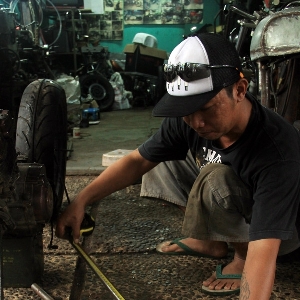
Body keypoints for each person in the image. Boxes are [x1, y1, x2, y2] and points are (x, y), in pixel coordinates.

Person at [55, 33, 300, 299]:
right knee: (157, 159)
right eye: (187, 110)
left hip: (283, 237)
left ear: (240, 90)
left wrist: (250, 272)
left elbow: (265, 251)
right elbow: (137, 161)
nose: (196, 122)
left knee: (217, 178)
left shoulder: (277, 151)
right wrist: (81, 201)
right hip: (243, 205)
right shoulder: (193, 119)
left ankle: (239, 257)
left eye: (206, 108)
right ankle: (211, 240)